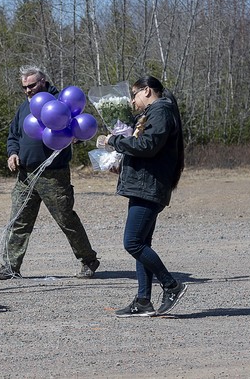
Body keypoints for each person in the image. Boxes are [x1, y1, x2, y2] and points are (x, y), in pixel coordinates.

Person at [0, 65, 100, 280]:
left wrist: (75, 137)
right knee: (19, 220)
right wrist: (12, 153)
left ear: (43, 81)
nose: (28, 91)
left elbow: (75, 130)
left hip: (53, 175)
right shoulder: (24, 108)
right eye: (24, 87)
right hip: (25, 174)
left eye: (31, 85)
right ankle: (10, 266)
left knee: (66, 220)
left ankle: (88, 260)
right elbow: (13, 135)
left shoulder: (61, 102)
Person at [100, 75, 187, 317]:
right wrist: (122, 163)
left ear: (147, 91)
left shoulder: (160, 111)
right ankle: (143, 301)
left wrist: (115, 141)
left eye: (134, 95)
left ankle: (171, 285)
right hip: (144, 184)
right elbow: (148, 149)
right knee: (142, 244)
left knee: (133, 243)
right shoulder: (154, 113)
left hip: (149, 187)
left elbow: (148, 146)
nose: (132, 101)